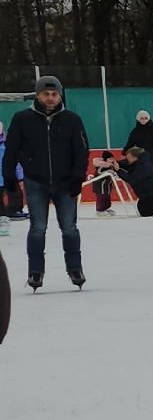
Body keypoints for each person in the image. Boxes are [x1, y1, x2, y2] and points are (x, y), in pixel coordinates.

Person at [2, 75, 89, 291]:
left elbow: (81, 150)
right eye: (46, 94)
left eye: (54, 94)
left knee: (69, 227)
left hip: (65, 182)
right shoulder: (22, 119)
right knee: (37, 228)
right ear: (38, 95)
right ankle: (35, 272)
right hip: (35, 182)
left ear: (59, 95)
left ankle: (75, 268)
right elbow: (11, 150)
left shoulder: (72, 119)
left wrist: (78, 176)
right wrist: (9, 176)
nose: (50, 98)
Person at [101, 146, 153, 217]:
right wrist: (115, 163)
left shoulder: (144, 166)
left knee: (144, 212)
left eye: (129, 158)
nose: (127, 160)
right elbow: (126, 164)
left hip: (152, 192)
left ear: (135, 157)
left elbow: (132, 180)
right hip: (149, 192)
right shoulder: (139, 161)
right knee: (142, 207)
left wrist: (118, 170)